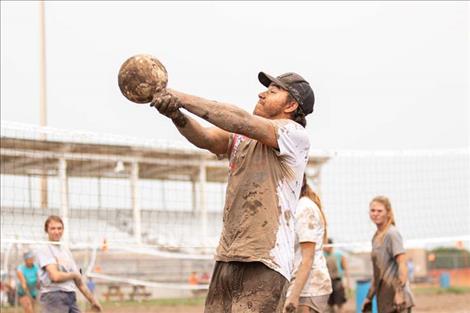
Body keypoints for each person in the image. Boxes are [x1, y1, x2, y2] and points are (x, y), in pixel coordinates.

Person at [151, 71, 314, 312]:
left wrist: (176, 96)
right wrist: (176, 114)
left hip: (265, 259)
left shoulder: (294, 134)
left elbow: (237, 119)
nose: (262, 94)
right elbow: (207, 138)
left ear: (291, 105)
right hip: (229, 253)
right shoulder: (243, 136)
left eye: (273, 91)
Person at [284, 175, 332, 313]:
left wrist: (294, 295)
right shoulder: (296, 206)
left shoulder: (305, 209)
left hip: (309, 288)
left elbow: (307, 258)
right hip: (303, 286)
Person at [35, 215, 102, 313]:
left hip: (70, 296)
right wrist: (74, 275)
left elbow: (79, 280)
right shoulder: (44, 249)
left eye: (59, 228)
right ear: (46, 230)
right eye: (53, 228)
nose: (57, 231)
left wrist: (93, 300)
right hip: (54, 296)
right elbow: (55, 276)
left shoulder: (65, 251)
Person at [362, 196, 415, 313]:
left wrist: (400, 293)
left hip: (397, 298)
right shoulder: (376, 237)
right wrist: (369, 297)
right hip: (384, 298)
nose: (375, 213)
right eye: (372, 210)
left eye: (379, 211)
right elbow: (377, 273)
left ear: (388, 213)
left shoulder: (392, 234)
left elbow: (402, 264)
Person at [324, 239, 350, 313]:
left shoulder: (339, 255)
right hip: (328, 282)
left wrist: (346, 282)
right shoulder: (323, 255)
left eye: (325, 245)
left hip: (337, 282)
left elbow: (346, 269)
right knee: (329, 305)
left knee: (340, 304)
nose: (323, 247)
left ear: (330, 246)